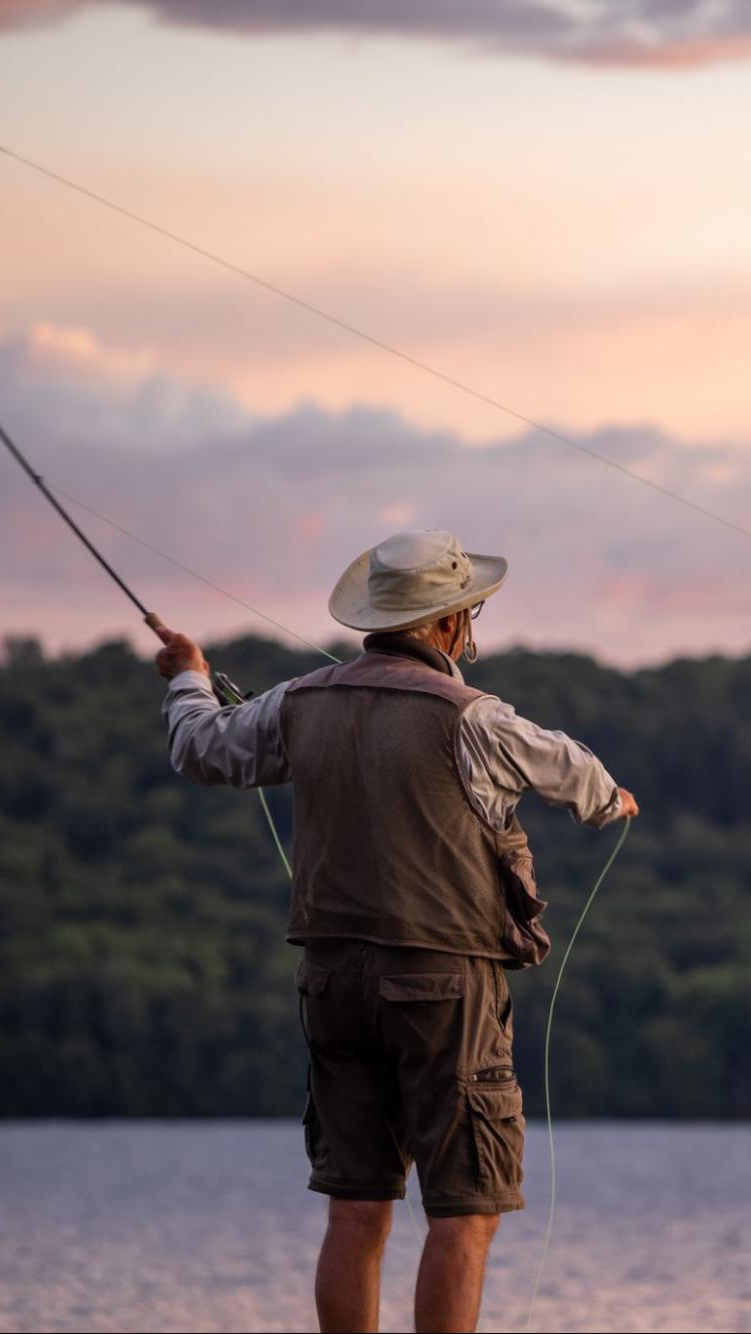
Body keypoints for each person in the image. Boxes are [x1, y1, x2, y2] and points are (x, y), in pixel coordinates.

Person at [150, 530, 638, 1333]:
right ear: (447, 625)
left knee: (357, 1209)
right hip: (447, 989)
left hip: (331, 985)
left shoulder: (296, 702)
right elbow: (576, 774)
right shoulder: (478, 717)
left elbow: (200, 747)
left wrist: (190, 679)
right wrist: (611, 801)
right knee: (464, 1212)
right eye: (469, 613)